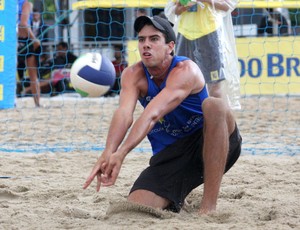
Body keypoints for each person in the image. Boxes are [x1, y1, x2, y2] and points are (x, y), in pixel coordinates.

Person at [83, 16, 242, 214]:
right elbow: (124, 114)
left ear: (170, 46)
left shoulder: (186, 70)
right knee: (136, 207)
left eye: (154, 39)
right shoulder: (132, 75)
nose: (146, 45)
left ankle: (208, 207)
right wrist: (109, 152)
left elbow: (152, 114)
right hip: (172, 155)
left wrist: (122, 153)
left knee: (214, 105)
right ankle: (175, 198)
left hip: (213, 142)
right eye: (141, 40)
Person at [165, 0, 241, 109]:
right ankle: (193, 122)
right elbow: (175, 10)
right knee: (184, 85)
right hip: (185, 34)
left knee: (215, 87)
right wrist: (184, 5)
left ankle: (220, 122)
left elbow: (227, 6)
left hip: (210, 32)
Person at [17, 0, 41, 107]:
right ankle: (37, 103)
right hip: (25, 41)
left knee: (7, 71)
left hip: (10, 40)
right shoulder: (26, 3)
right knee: (33, 74)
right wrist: (34, 39)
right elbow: (23, 24)